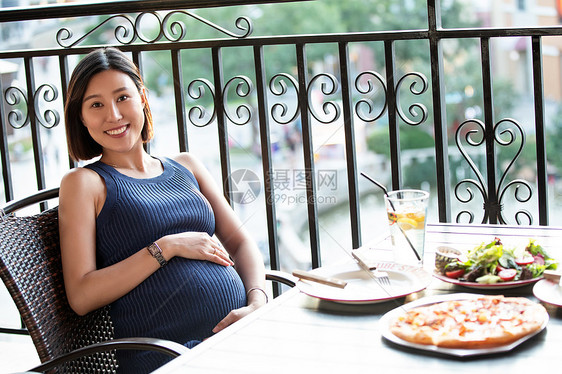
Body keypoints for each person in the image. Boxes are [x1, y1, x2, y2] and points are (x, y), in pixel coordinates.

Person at [58, 47, 267, 373]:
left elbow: (240, 243)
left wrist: (257, 302)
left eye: (122, 97)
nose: (113, 115)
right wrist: (167, 247)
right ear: (81, 118)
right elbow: (82, 295)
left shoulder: (187, 165)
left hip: (237, 339)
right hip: (168, 356)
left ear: (143, 97)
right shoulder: (84, 183)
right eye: (96, 105)